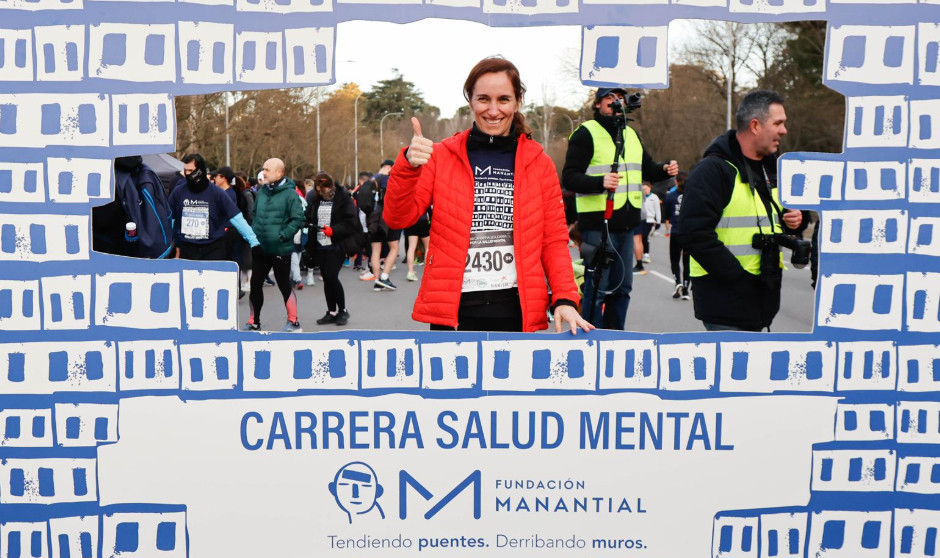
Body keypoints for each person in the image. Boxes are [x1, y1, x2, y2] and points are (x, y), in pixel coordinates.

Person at [384, 56, 593, 334]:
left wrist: (565, 298)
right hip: (455, 312)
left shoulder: (539, 163)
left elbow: (553, 239)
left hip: (515, 309)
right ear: (470, 100)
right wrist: (408, 167)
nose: (493, 110)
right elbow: (399, 218)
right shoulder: (441, 156)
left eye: (503, 99)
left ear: (518, 101)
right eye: (483, 99)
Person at [674, 90, 803, 332]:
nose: (784, 130)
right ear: (755, 125)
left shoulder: (773, 168)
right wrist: (739, 280)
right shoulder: (712, 171)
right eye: (778, 123)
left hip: (761, 299)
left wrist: (796, 219)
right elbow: (693, 234)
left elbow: (778, 216)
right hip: (726, 304)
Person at [562, 87, 678, 330]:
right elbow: (569, 178)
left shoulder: (631, 134)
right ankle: (593, 341)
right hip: (597, 226)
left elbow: (647, 168)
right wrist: (599, 182)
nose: (616, 103)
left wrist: (664, 169)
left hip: (627, 225)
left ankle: (617, 339)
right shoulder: (586, 133)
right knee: (597, 289)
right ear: (597, 105)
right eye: (609, 99)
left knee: (623, 289)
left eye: (620, 99)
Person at [245, 158, 305, 332]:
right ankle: (254, 321)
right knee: (255, 284)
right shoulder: (262, 192)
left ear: (279, 173)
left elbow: (298, 219)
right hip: (260, 248)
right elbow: (255, 214)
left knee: (284, 284)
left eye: (267, 169)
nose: (263, 172)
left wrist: (283, 236)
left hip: (280, 248)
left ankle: (293, 321)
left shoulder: (290, 194)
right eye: (263, 169)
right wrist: (253, 235)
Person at [169, 154, 259, 261]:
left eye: (191, 170)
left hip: (212, 249)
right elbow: (169, 219)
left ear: (200, 170)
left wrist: (254, 241)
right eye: (185, 170)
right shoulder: (179, 191)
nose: (187, 174)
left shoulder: (217, 193)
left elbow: (236, 218)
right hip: (187, 249)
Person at [304, 172, 359, 326]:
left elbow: (351, 222)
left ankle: (343, 310)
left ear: (330, 186)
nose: (322, 191)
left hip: (338, 244)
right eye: (319, 188)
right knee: (326, 278)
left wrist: (334, 230)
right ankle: (331, 311)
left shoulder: (343, 198)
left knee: (331, 276)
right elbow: (308, 216)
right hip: (320, 244)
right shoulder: (315, 199)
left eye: (324, 187)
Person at [365, 160, 400, 291]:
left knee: (375, 250)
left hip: (373, 218)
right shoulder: (390, 179)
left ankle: (376, 280)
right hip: (389, 216)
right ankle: (384, 277)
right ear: (389, 167)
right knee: (394, 248)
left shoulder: (373, 179)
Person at [663, 171, 690, 299]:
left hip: (676, 232)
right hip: (689, 233)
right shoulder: (693, 195)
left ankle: (678, 282)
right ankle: (685, 290)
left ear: (676, 181)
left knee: (675, 260)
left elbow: (667, 216)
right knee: (687, 262)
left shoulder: (670, 196)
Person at [633, 182, 661, 273]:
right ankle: (641, 260)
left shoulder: (654, 197)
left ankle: (642, 259)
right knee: (641, 239)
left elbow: (657, 210)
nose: (645, 189)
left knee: (640, 239)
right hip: (642, 217)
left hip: (643, 217)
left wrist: (658, 221)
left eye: (646, 188)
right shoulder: (640, 190)